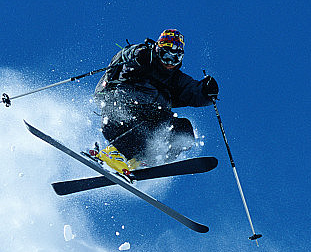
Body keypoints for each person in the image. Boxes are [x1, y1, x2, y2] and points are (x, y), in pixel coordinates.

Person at [93, 29, 218, 170]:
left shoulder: (176, 79)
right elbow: (126, 54)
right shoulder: (144, 57)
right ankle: (115, 152)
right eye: (165, 55)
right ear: (158, 50)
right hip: (118, 116)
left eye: (175, 58)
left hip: (146, 130)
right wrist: (138, 53)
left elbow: (193, 93)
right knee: (157, 113)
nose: (169, 62)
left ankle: (143, 162)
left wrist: (207, 93)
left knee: (183, 130)